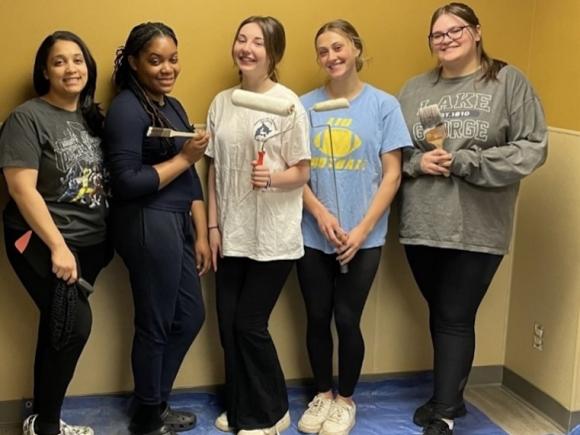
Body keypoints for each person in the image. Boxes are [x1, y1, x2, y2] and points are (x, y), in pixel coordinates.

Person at [397, 3, 548, 434]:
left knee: (455, 315)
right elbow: (391, 152)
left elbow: (532, 148)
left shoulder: (507, 82)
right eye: (437, 34)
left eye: (455, 30)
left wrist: (465, 161)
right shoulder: (413, 89)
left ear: (477, 32)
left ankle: (444, 413)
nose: (446, 39)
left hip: (477, 227)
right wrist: (416, 164)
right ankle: (448, 397)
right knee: (441, 312)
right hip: (422, 223)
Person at [296, 19, 411, 435]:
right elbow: (296, 172)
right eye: (323, 51)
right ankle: (322, 394)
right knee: (316, 316)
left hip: (365, 237)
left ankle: (345, 400)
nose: (332, 57)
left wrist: (361, 230)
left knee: (346, 318)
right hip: (313, 233)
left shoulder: (384, 106)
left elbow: (392, 174)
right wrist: (320, 213)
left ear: (357, 49)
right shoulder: (303, 105)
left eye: (339, 47)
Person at [0, 31, 111, 435]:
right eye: (59, 61)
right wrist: (58, 247)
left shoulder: (93, 117)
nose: (70, 68)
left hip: (90, 243)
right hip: (40, 241)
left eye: (77, 60)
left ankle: (38, 420)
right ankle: (46, 425)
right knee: (72, 325)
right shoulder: (26, 118)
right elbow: (21, 188)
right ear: (44, 70)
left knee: (57, 327)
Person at [205, 15, 310, 435]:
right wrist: (213, 227)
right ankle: (241, 405)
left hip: (273, 236)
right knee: (228, 324)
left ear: (274, 53)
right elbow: (212, 171)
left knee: (250, 324)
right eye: (242, 39)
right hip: (230, 233)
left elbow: (302, 172)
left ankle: (271, 413)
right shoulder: (221, 102)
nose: (247, 48)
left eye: (258, 42)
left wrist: (274, 178)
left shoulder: (288, 104)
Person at [104, 22, 210, 435]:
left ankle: (153, 400)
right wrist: (184, 158)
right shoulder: (126, 109)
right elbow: (127, 180)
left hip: (176, 221)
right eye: (155, 60)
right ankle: (148, 416)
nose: (167, 68)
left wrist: (200, 233)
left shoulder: (172, 104)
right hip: (146, 222)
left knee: (190, 315)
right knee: (156, 322)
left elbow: (191, 176)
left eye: (173, 59)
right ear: (133, 62)